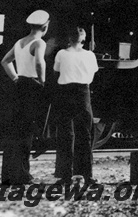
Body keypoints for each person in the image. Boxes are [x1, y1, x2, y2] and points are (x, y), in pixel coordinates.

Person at [0, 10, 49, 184]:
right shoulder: (39, 42)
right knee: (27, 132)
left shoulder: (19, 42)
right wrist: (42, 81)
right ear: (45, 26)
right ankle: (22, 175)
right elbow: (38, 62)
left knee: (14, 130)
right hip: (32, 87)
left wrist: (15, 77)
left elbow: (5, 61)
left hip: (19, 85)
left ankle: (7, 176)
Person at [53, 26, 99, 184]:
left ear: (69, 39)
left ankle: (65, 175)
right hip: (82, 93)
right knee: (85, 134)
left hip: (65, 93)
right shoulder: (90, 55)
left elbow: (56, 70)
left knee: (66, 134)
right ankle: (87, 175)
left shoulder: (61, 54)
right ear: (84, 40)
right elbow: (92, 76)